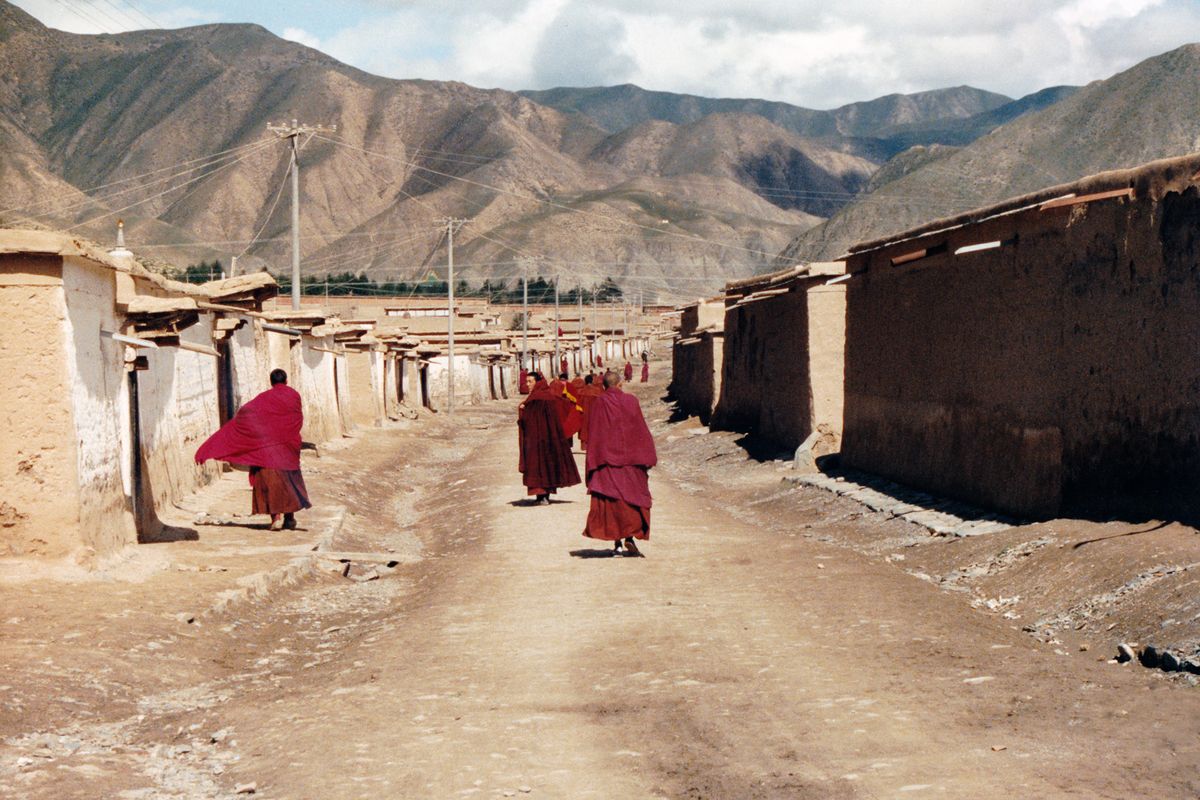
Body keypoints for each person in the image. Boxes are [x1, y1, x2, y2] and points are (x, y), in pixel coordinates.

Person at [195, 368, 310, 531]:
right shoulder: (293, 395)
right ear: (285, 381)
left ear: (271, 382)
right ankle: (289, 519)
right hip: (287, 447)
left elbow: (247, 412)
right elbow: (297, 418)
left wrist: (257, 433)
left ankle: (275, 517)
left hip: (268, 450)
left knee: (270, 481)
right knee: (289, 480)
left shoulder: (264, 398)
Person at [582, 370, 657, 556]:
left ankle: (617, 544)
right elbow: (639, 428)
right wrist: (646, 455)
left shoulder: (600, 402)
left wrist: (594, 460)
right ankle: (629, 538)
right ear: (620, 384)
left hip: (607, 462)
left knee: (612, 503)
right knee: (631, 502)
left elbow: (595, 433)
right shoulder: (631, 401)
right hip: (631, 461)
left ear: (604, 386)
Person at [517, 372, 581, 504]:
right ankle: (546, 496)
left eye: (530, 381)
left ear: (538, 382)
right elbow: (563, 408)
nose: (527, 384)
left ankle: (541, 496)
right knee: (548, 464)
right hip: (550, 438)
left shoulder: (536, 398)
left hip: (536, 439)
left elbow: (529, 420)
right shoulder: (550, 396)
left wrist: (523, 410)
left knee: (537, 465)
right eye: (527, 381)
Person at [576, 373, 604, 452]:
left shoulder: (581, 391)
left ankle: (584, 446)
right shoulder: (597, 391)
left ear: (585, 381)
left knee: (584, 428)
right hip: (595, 414)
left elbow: (578, 405)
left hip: (584, 414)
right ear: (592, 381)